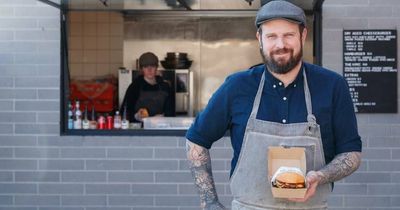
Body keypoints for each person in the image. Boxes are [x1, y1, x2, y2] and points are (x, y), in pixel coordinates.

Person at [185, 1, 362, 210]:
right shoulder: (237, 86)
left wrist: (321, 176)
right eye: (271, 36)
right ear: (259, 38)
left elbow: (351, 153)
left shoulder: (332, 86)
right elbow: (196, 141)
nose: (280, 45)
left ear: (303, 36)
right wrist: (209, 202)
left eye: (288, 35)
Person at [121, 52, 174, 122]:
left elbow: (171, 112)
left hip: (160, 127)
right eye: (146, 66)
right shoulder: (135, 87)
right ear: (142, 69)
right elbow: (124, 112)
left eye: (152, 66)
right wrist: (136, 116)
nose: (149, 70)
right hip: (139, 130)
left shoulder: (165, 87)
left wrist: (163, 117)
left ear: (156, 67)